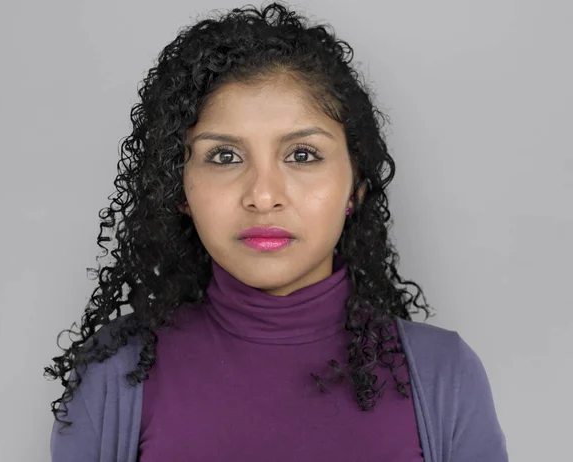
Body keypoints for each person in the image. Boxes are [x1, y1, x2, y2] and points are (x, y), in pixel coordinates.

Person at [45, 2, 508, 461]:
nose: (263, 196)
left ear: (356, 186)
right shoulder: (116, 369)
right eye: (224, 156)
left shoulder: (445, 375)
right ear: (179, 189)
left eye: (302, 155)